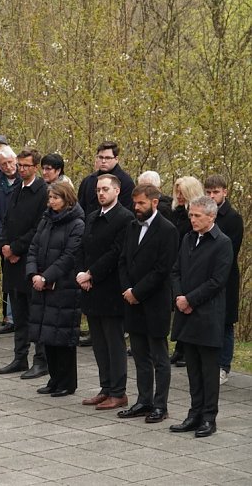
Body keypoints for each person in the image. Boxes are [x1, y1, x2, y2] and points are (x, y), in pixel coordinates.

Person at [169, 195, 232, 438]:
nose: (192, 220)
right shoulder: (188, 238)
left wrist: (190, 300)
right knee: (193, 369)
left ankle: (208, 417)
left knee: (208, 370)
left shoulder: (222, 243)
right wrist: (179, 297)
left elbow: (217, 281)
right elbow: (176, 271)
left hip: (207, 314)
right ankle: (194, 414)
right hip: (186, 312)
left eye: (197, 216)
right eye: (191, 215)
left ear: (211, 216)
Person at [117, 184, 178, 424]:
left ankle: (160, 405)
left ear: (154, 202)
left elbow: (162, 269)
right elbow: (123, 260)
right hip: (132, 301)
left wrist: (138, 292)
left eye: (141, 203)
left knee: (159, 358)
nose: (136, 207)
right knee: (140, 355)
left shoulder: (168, 230)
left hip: (154, 303)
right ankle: (144, 401)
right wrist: (127, 290)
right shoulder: (132, 226)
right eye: (135, 203)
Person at [76, 174, 135, 410]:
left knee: (114, 342)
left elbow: (116, 252)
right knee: (99, 343)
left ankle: (118, 392)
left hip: (110, 289)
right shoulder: (92, 216)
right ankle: (106, 387)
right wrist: (82, 274)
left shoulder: (125, 218)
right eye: (98, 189)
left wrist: (91, 274)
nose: (101, 193)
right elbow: (83, 247)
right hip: (90, 288)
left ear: (117, 191)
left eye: (105, 189)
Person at [27, 181, 85, 397]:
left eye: (56, 198)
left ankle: (67, 382)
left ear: (67, 199)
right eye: (50, 198)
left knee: (63, 337)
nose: (51, 202)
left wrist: (47, 276)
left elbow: (69, 256)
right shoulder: (46, 219)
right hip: (42, 285)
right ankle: (54, 378)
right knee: (47, 335)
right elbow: (34, 247)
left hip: (63, 287)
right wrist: (33, 273)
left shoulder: (77, 224)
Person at [0, 148, 49, 378]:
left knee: (35, 313)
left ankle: (41, 360)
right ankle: (20, 357)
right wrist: (5, 245)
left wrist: (16, 248)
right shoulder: (17, 187)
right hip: (12, 260)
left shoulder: (42, 191)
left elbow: (39, 227)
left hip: (30, 260)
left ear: (35, 167)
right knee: (18, 313)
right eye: (20, 165)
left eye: (26, 166)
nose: (22, 169)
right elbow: (7, 220)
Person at [203, 175, 244, 385]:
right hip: (203, 276)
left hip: (225, 277)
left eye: (215, 192)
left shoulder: (233, 218)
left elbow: (230, 252)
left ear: (225, 192)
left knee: (226, 323)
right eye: (208, 192)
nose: (211, 196)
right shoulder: (202, 213)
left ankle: (223, 366)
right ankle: (208, 363)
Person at [167, 175, 203, 368]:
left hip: (189, 263)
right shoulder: (175, 212)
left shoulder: (195, 215)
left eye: (182, 193)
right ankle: (179, 348)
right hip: (175, 262)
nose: (179, 196)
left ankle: (185, 350)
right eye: (177, 192)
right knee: (178, 306)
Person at [0, 145, 20, 332]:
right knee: (6, 275)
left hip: (21, 234)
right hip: (2, 235)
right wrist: (1, 235)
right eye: (3, 164)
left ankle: (20, 317)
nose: (8, 167)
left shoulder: (24, 178)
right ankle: (9, 317)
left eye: (10, 162)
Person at [77, 141, 134, 214]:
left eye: (108, 158)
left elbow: (127, 212)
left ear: (116, 159)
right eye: (100, 157)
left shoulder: (126, 182)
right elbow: (81, 208)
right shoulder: (88, 181)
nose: (103, 161)